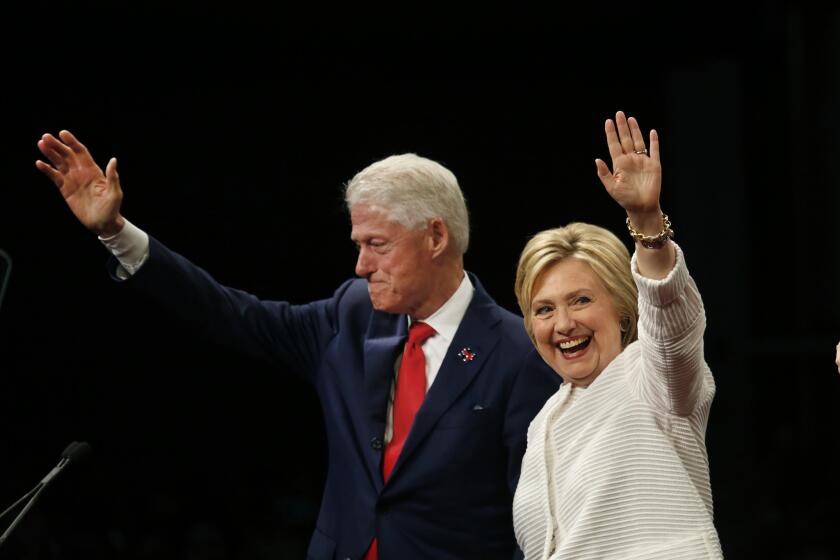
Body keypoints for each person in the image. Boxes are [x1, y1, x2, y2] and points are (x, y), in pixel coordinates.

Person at [35, 133, 559, 560]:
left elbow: (533, 519)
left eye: (376, 245)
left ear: (436, 238)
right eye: (358, 246)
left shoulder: (517, 354)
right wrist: (116, 233)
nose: (360, 266)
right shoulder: (351, 316)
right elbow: (230, 314)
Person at [511, 111, 723, 558]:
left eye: (582, 300)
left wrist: (647, 223)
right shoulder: (543, 422)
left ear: (624, 310)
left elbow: (670, 321)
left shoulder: (653, 376)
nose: (564, 324)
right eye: (544, 309)